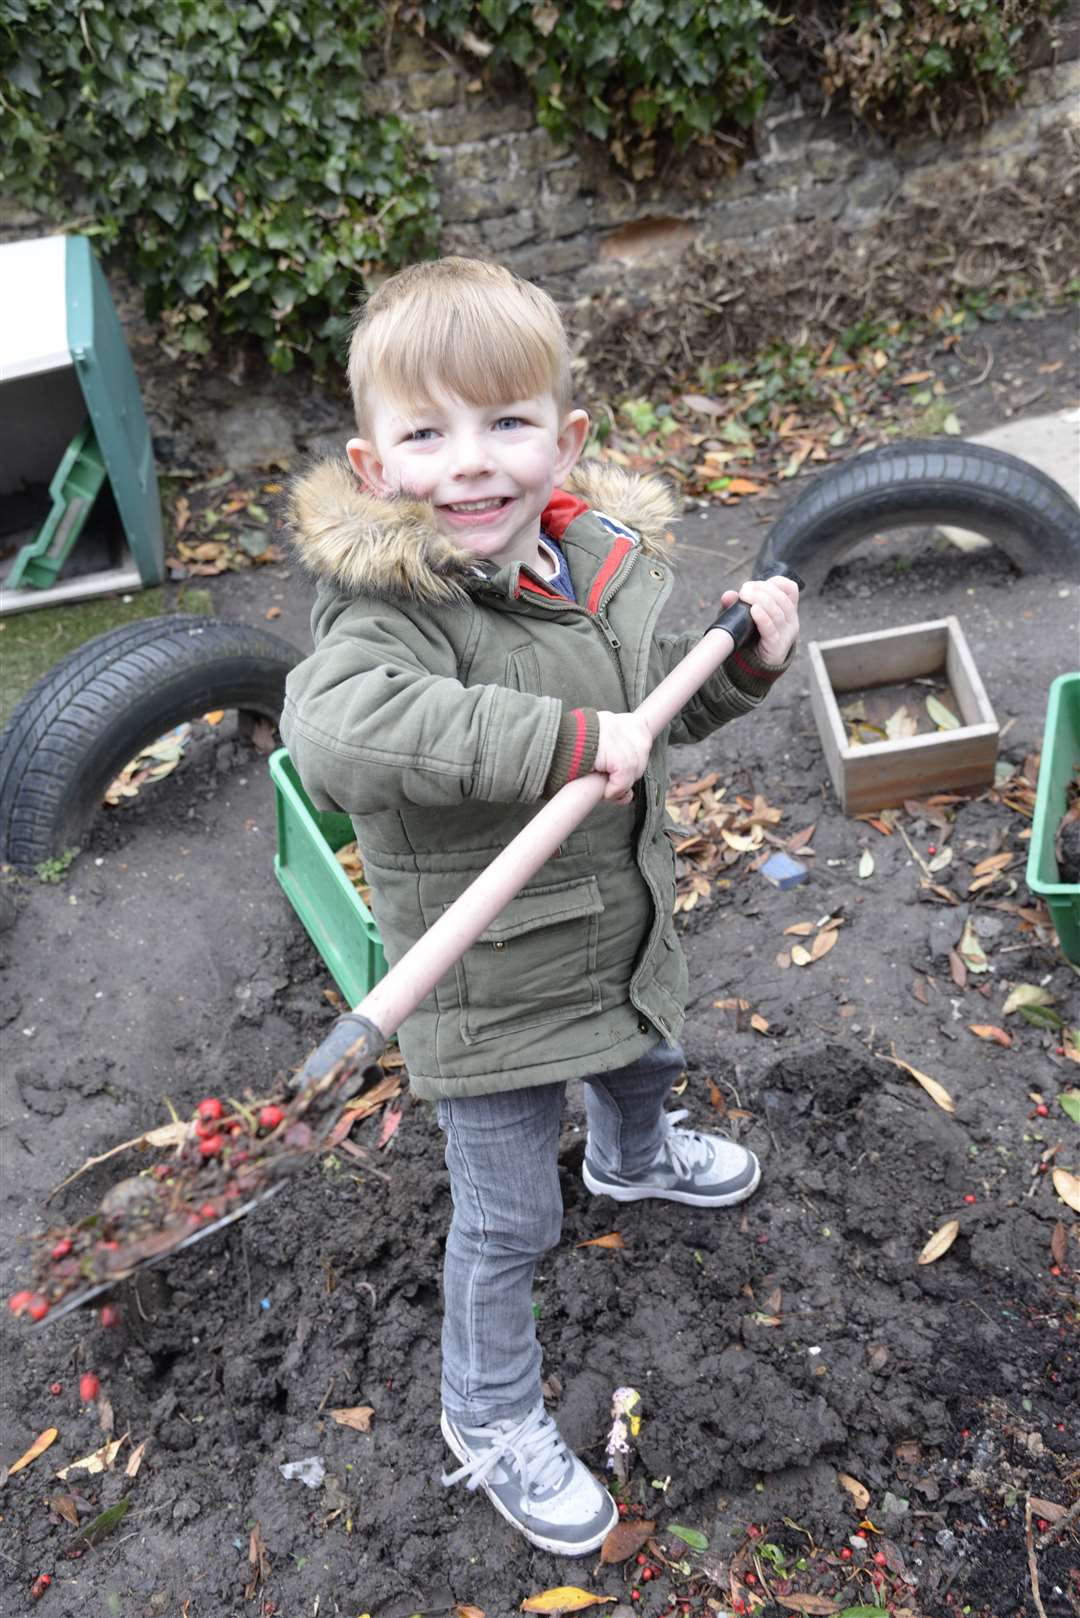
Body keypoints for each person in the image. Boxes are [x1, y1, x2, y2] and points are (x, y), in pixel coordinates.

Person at [280, 257, 799, 1556]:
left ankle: (636, 1153)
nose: (469, 463)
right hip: (491, 987)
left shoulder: (598, 559)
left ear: (565, 437)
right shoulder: (387, 613)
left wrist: (748, 668)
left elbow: (652, 716)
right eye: (426, 432)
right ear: (372, 462)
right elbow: (339, 731)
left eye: (506, 422)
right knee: (509, 1214)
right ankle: (487, 1409)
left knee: (648, 1052)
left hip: (617, 928)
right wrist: (564, 738)